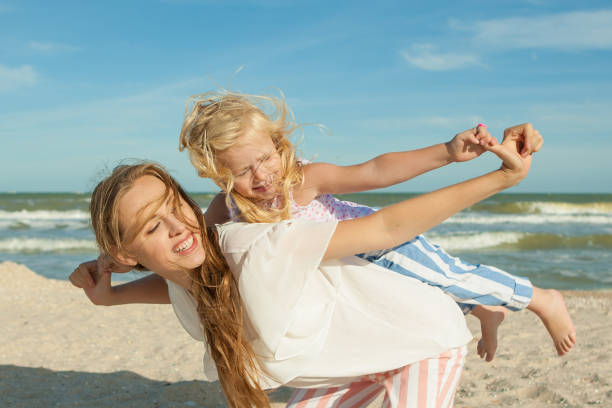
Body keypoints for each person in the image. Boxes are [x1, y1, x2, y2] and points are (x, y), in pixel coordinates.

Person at [71, 129, 540, 407]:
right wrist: (109, 294)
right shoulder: (193, 273)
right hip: (347, 369)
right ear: (125, 251)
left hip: (419, 342)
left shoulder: (260, 246)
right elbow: (182, 287)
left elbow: (385, 228)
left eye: (177, 206)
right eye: (153, 227)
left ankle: (486, 303)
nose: (178, 228)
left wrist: (502, 178)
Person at [177, 91, 575, 360]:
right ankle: (487, 312)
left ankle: (541, 299)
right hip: (348, 270)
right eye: (243, 171)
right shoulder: (224, 207)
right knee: (423, 295)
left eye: (265, 158)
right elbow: (195, 245)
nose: (262, 176)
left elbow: (376, 170)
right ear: (217, 176)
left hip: (382, 247)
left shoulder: (302, 178)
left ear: (277, 144)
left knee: (449, 275)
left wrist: (448, 152)